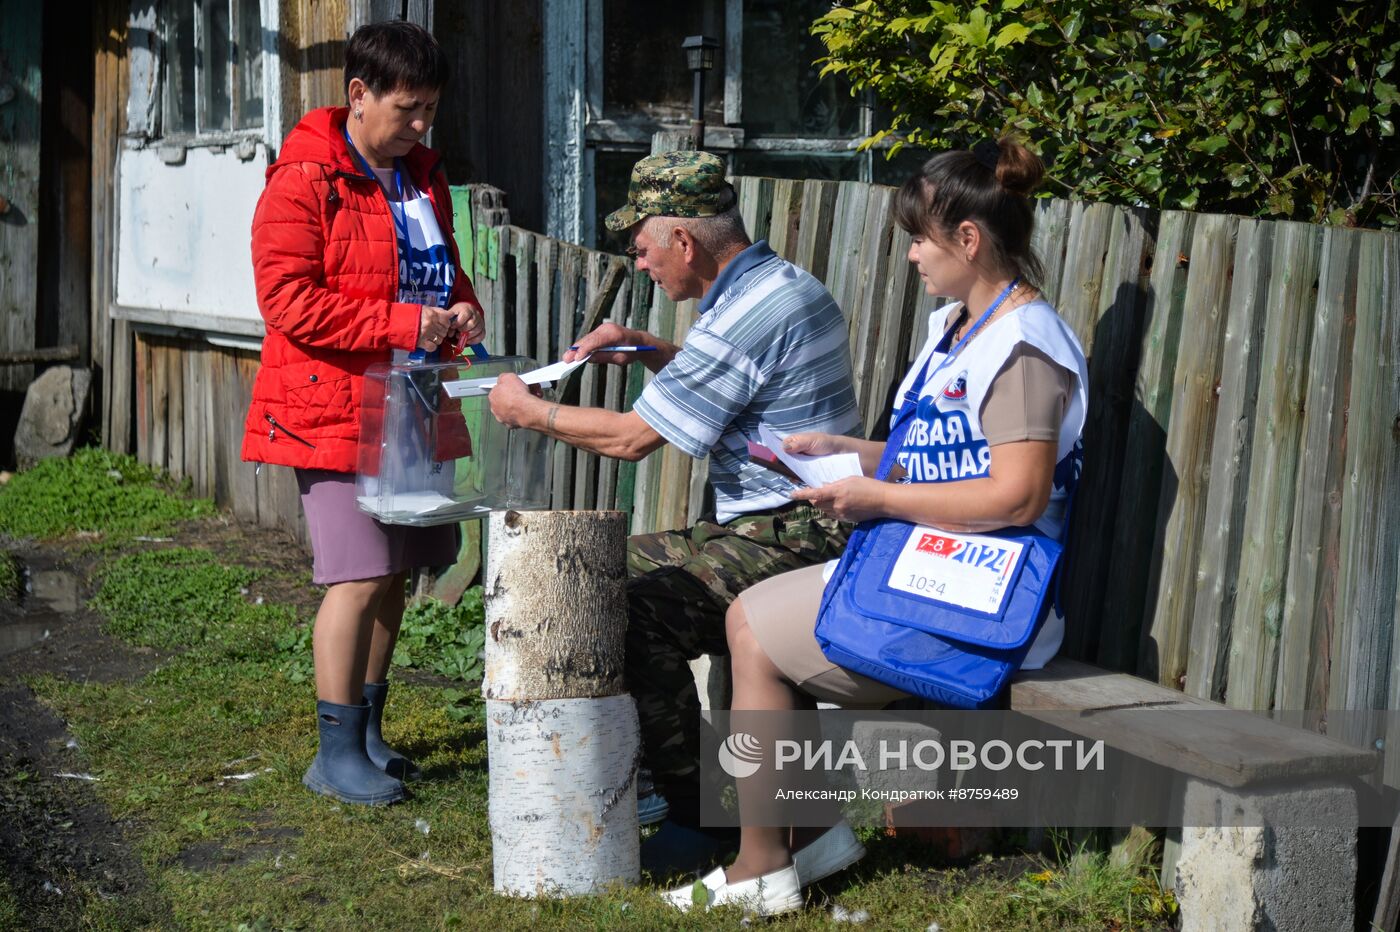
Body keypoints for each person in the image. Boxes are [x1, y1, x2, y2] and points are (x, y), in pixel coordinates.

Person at [663, 138, 1089, 916]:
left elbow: (1020, 495)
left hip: (985, 602)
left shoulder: (1025, 347)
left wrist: (879, 498)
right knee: (754, 619)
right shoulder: (959, 325)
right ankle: (811, 834)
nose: (912, 257)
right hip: (932, 565)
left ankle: (765, 865)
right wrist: (850, 453)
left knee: (751, 628)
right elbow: (942, 451)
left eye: (921, 239)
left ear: (969, 240)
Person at [488, 150, 864, 872]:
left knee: (621, 603)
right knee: (594, 573)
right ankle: (705, 798)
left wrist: (528, 411)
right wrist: (653, 349)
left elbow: (633, 440)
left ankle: (704, 814)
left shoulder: (746, 316)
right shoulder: (777, 287)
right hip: (778, 526)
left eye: (644, 247)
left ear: (684, 242)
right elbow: (734, 381)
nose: (645, 265)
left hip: (799, 538)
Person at [241, 20, 485, 806]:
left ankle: (368, 734)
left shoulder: (421, 177)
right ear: (358, 94)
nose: (421, 126)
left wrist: (462, 307)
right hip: (333, 407)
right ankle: (332, 751)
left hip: (411, 404)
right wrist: (403, 324)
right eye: (409, 109)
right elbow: (287, 302)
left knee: (396, 575)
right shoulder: (303, 178)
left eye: (430, 111)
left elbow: (438, 271)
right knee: (355, 574)